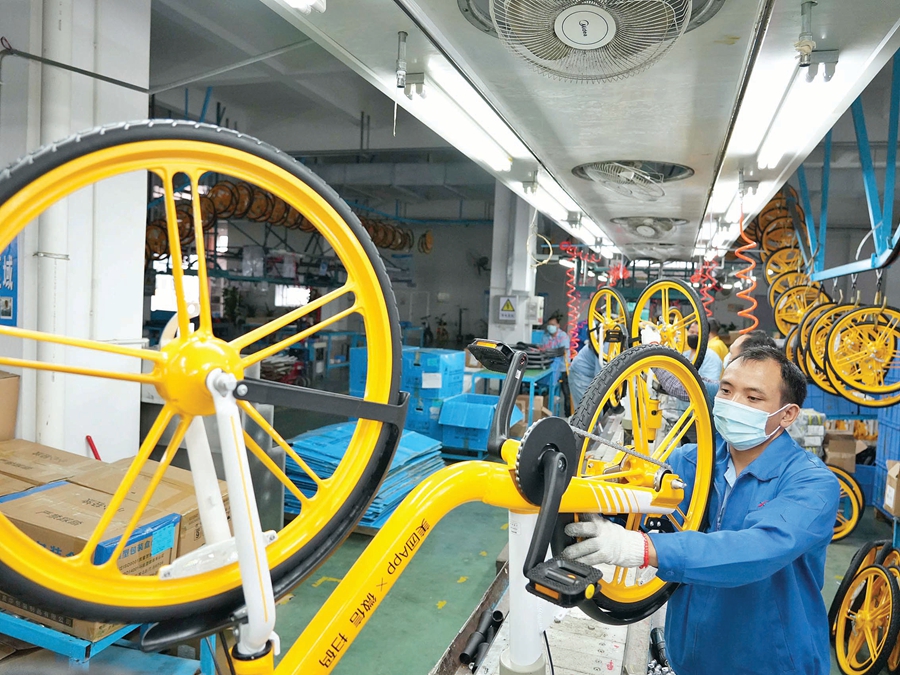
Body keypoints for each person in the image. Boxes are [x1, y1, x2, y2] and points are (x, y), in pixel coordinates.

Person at [562, 346, 840, 675]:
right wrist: (590, 501)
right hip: (690, 654)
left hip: (771, 661)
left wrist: (643, 548)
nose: (734, 404)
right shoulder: (689, 461)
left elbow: (759, 549)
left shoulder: (812, 484)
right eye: (726, 390)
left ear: (787, 414)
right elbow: (640, 511)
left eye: (753, 398)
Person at [569, 343, 603, 409]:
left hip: (592, 374)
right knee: (589, 410)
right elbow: (601, 379)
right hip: (581, 376)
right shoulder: (607, 346)